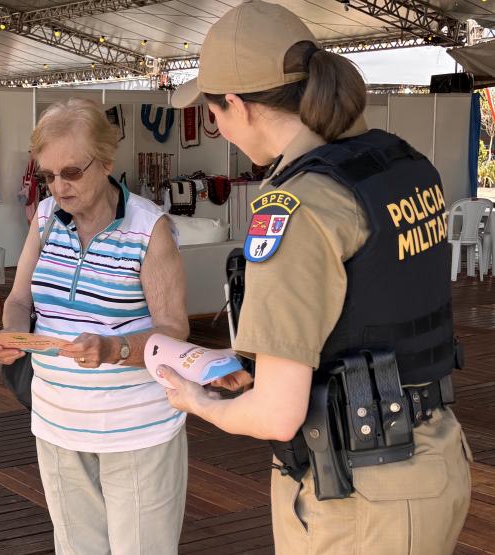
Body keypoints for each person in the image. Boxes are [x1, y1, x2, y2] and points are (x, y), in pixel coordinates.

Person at [163, 2, 471, 553]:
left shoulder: (297, 207)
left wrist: (197, 402)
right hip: (432, 458)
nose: (223, 131)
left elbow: (278, 417)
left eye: (215, 114)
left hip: (360, 496)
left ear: (236, 106)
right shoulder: (400, 163)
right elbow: (371, 315)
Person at [0, 98, 190, 554]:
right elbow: (19, 299)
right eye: (48, 176)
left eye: (72, 172)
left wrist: (113, 348)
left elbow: (174, 330)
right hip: (57, 424)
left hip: (137, 430)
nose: (59, 186)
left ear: (107, 162)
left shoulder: (149, 229)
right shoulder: (44, 219)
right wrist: (12, 336)